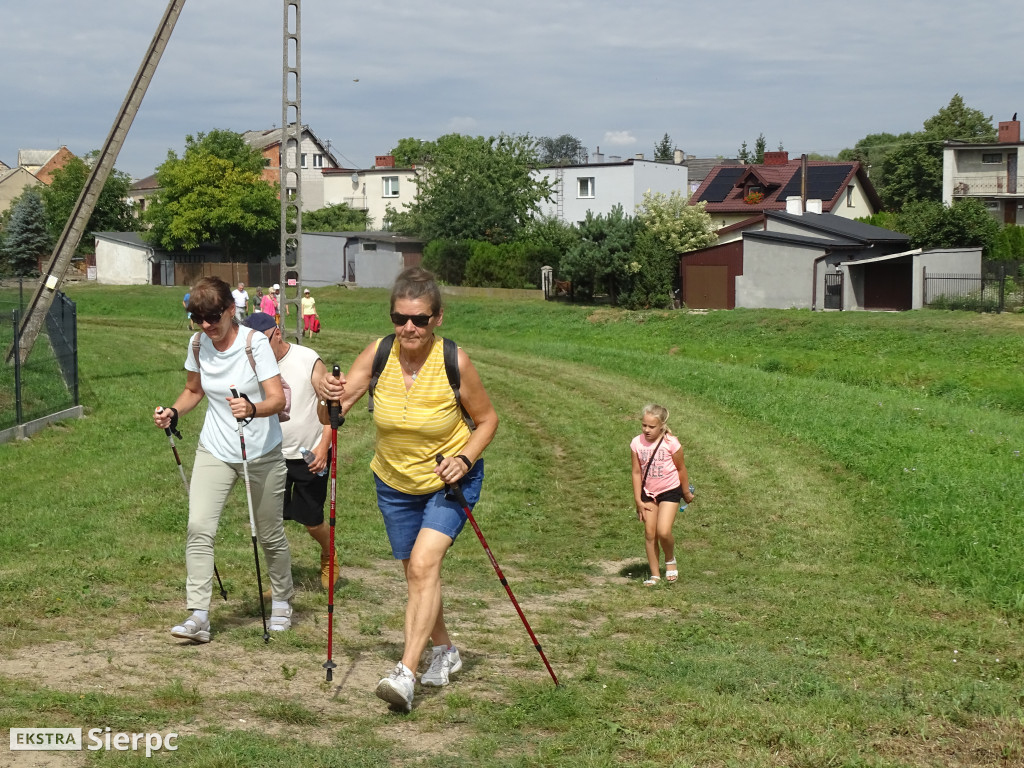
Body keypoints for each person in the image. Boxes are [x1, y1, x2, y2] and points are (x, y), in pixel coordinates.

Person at [318, 266, 498, 712]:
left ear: (437, 318)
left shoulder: (454, 360)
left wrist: (464, 458)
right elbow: (332, 416)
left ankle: (405, 673)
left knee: (422, 565)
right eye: (400, 319)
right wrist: (324, 392)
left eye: (419, 319)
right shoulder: (379, 354)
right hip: (394, 482)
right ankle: (447, 650)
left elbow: (488, 420)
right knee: (417, 574)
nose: (408, 328)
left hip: (448, 480)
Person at [153, 276, 294, 643]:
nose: (206, 326)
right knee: (199, 527)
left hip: (261, 451)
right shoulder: (198, 343)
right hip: (215, 448)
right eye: (198, 318)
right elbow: (193, 389)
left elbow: (277, 400)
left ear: (232, 310)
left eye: (213, 317)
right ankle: (198, 616)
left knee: (269, 533)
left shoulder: (254, 344)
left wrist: (252, 408)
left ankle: (282, 599)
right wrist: (174, 411)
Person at [241, 312, 336, 589]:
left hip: (309, 455)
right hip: (270, 455)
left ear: (277, 333)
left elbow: (330, 405)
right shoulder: (251, 366)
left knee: (312, 520)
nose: (255, 352)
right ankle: (279, 583)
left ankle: (329, 552)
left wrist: (323, 446)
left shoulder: (307, 359)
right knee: (270, 523)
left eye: (261, 343)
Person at [630, 404, 695, 587]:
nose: (646, 430)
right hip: (648, 493)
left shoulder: (671, 443)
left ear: (662, 426)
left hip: (669, 490)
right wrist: (638, 500)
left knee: (663, 531)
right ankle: (655, 575)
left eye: (651, 427)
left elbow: (681, 469)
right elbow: (636, 472)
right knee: (650, 534)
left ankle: (669, 558)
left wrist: (685, 492)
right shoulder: (636, 443)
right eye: (644, 425)